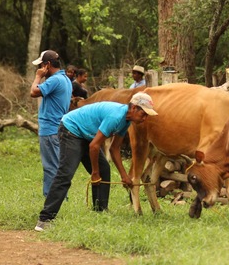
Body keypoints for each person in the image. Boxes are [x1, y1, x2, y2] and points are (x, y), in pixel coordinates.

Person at [34, 92, 158, 231]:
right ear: (134, 108)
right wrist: (94, 172)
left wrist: (124, 175)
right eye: (144, 114)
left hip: (87, 135)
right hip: (71, 130)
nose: (145, 118)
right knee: (65, 175)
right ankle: (45, 219)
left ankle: (100, 211)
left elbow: (114, 149)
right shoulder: (116, 116)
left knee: (105, 170)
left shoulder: (126, 121)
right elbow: (94, 146)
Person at [30, 50, 73, 197]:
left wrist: (37, 77)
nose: (40, 69)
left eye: (41, 65)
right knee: (57, 165)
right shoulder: (65, 79)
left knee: (50, 167)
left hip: (49, 129)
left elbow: (33, 92)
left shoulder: (54, 80)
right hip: (59, 128)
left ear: (47, 65)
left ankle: (52, 200)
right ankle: (61, 197)